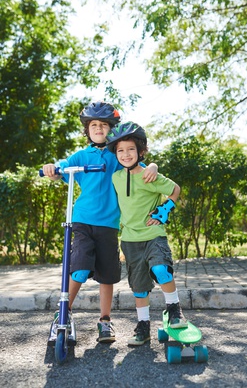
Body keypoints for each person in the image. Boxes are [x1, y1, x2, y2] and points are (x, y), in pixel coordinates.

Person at [42, 101, 158, 343]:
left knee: (107, 275)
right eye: (93, 125)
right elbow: (60, 168)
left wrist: (154, 167)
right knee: (81, 268)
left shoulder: (117, 155)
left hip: (109, 224)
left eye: (103, 125)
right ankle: (63, 313)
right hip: (83, 221)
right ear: (87, 129)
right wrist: (52, 168)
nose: (98, 128)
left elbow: (139, 167)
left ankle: (105, 321)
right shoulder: (81, 155)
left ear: (111, 129)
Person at [106, 121, 188, 346]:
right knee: (139, 288)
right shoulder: (116, 177)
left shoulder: (148, 176)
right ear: (115, 153)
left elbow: (175, 190)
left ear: (140, 151)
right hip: (130, 240)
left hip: (154, 235)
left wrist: (163, 211)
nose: (125, 154)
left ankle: (174, 310)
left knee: (162, 270)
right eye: (120, 150)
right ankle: (143, 327)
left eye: (131, 149)